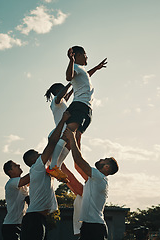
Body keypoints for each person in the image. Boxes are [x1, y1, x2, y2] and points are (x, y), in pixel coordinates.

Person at [46, 46, 108, 181]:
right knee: (68, 134)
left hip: (86, 107)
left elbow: (86, 76)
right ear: (79, 55)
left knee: (71, 140)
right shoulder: (74, 67)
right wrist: (71, 60)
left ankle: (57, 166)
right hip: (79, 105)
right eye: (85, 54)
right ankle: (53, 166)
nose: (87, 57)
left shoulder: (82, 70)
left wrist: (96, 68)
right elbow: (68, 77)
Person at [20, 111, 70, 240]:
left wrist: (69, 138)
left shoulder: (45, 169)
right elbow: (52, 143)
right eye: (38, 153)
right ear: (33, 160)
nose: (41, 153)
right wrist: (63, 120)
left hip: (39, 218)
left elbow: (61, 150)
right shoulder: (37, 167)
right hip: (34, 219)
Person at [63, 128, 119, 240]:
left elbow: (79, 160)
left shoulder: (99, 177)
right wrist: (78, 141)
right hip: (90, 225)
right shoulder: (96, 179)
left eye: (104, 160)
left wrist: (72, 139)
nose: (101, 159)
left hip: (94, 227)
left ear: (106, 167)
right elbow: (78, 166)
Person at [2, 161, 30, 240]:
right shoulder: (12, 182)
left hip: (20, 225)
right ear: (10, 171)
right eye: (15, 165)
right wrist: (38, 167)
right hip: (11, 226)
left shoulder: (21, 183)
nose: (19, 165)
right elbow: (32, 176)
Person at [60, 163, 88, 237]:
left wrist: (59, 163)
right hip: (85, 231)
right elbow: (74, 188)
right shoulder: (83, 193)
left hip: (91, 230)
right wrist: (64, 178)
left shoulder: (90, 191)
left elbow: (75, 183)